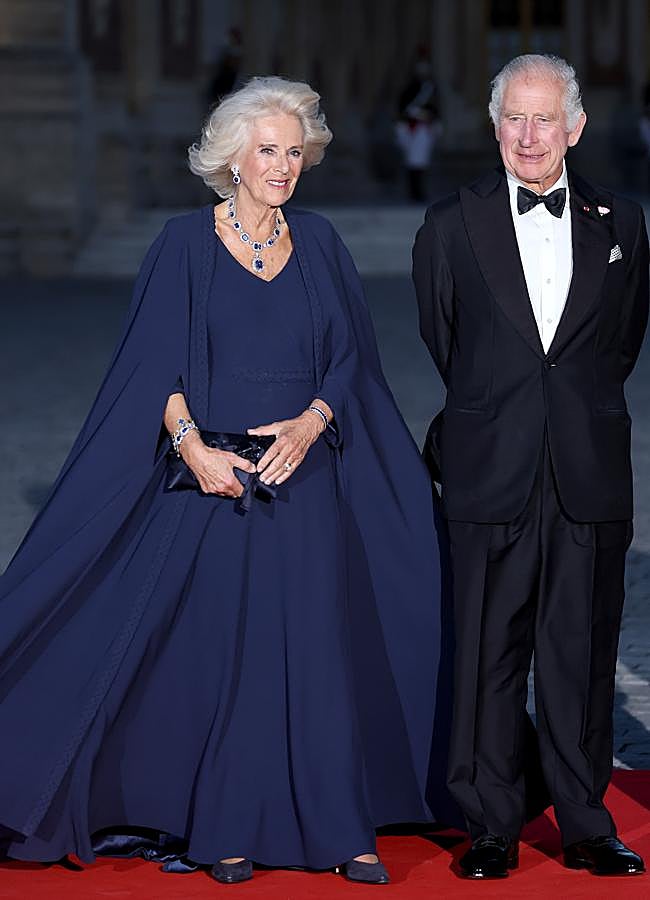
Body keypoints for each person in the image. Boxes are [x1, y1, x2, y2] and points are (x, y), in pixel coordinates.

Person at [0, 77, 457, 886]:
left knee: (318, 654)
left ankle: (340, 826)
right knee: (231, 659)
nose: (282, 166)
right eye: (267, 150)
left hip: (307, 478)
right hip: (216, 484)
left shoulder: (320, 241)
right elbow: (152, 366)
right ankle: (227, 823)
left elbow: (351, 357)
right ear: (232, 159)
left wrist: (313, 421)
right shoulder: (182, 244)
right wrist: (193, 450)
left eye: (294, 152)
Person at [413, 54, 648, 880]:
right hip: (489, 466)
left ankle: (586, 821)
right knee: (487, 651)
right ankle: (491, 823)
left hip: (587, 467)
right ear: (494, 126)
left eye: (544, 118)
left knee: (581, 649)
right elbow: (445, 340)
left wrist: (566, 412)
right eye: (514, 117)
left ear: (574, 128)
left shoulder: (624, 222)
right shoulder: (451, 223)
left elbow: (619, 345)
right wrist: (502, 413)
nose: (528, 134)